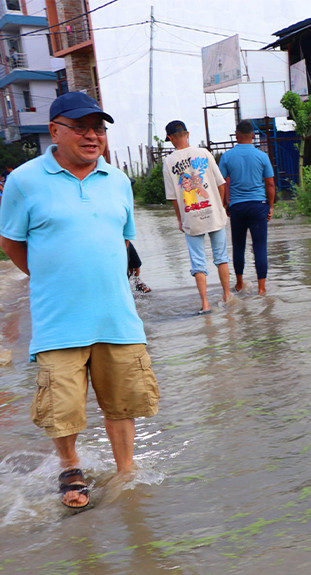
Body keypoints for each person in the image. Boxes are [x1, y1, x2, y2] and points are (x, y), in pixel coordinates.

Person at [0, 91, 160, 510]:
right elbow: (12, 242)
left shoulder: (118, 180)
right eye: (82, 128)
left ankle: (126, 473)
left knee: (122, 401)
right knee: (62, 405)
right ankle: (70, 466)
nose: (93, 137)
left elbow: (121, 238)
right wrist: (52, 276)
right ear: (55, 131)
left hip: (116, 315)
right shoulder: (24, 181)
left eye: (99, 129)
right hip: (59, 319)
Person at [162, 120, 230, 314]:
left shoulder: (168, 162)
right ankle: (227, 295)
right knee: (221, 257)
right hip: (214, 213)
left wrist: (179, 219)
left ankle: (205, 304)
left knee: (197, 262)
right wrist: (221, 205)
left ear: (169, 138)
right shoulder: (204, 153)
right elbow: (220, 183)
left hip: (190, 216)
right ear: (188, 133)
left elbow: (173, 197)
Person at [219, 120, 275, 295]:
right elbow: (271, 184)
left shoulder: (227, 157)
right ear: (252, 136)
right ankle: (261, 288)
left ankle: (240, 283)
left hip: (237, 207)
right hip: (259, 206)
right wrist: (270, 206)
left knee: (238, 246)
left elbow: (220, 183)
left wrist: (224, 204)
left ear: (236, 136)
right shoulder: (262, 156)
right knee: (259, 246)